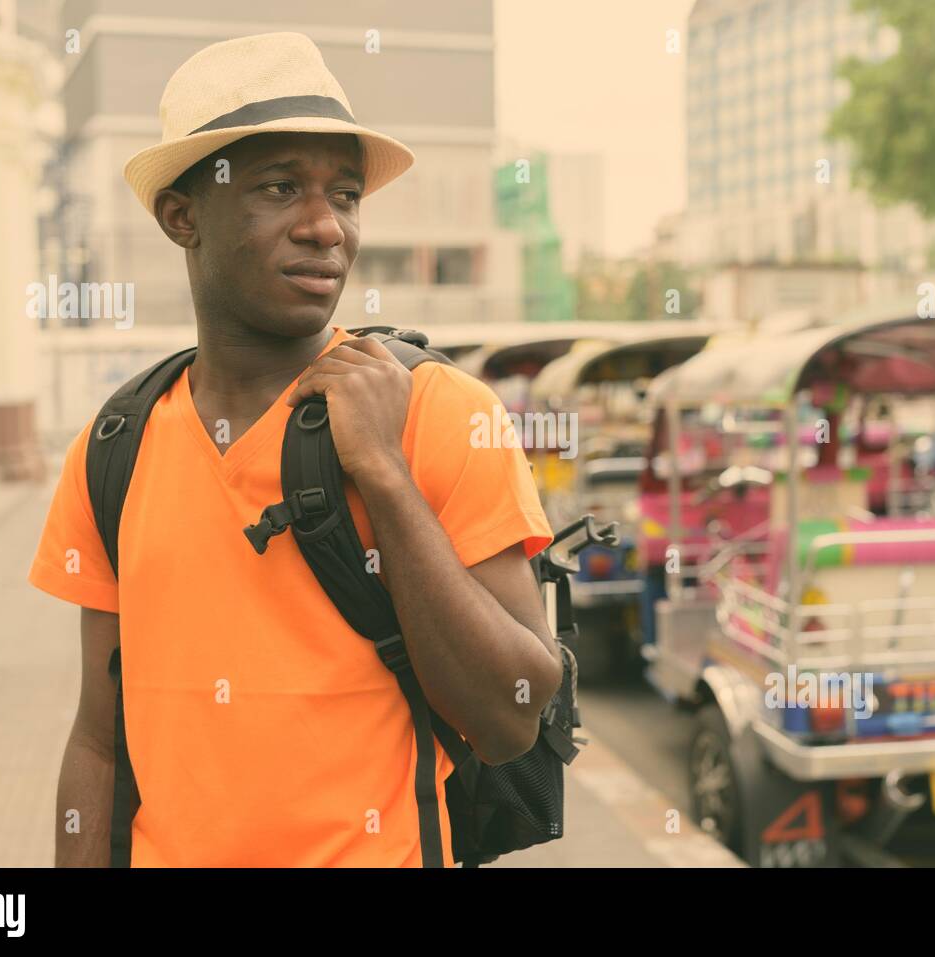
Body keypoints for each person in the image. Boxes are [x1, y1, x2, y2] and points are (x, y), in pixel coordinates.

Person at [28, 33, 559, 867]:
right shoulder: (114, 447)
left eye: (344, 195)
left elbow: (511, 715)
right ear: (181, 215)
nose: (326, 227)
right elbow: (100, 741)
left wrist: (383, 472)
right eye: (281, 188)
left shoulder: (442, 413)